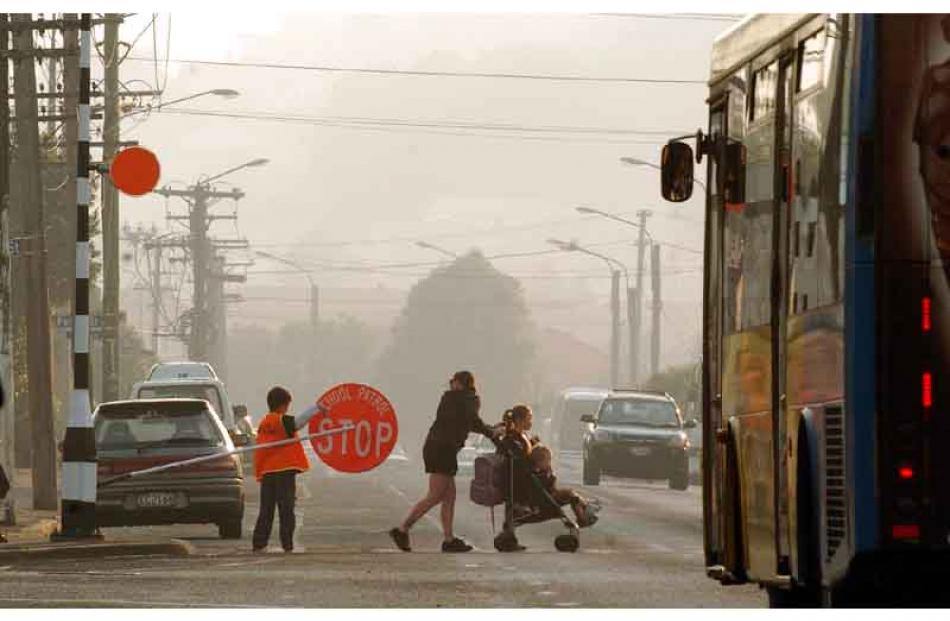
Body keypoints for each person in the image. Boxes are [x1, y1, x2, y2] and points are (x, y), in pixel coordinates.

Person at [389, 370, 499, 553]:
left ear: (461, 383)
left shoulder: (451, 399)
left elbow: (468, 422)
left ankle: (449, 539)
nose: (451, 385)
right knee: (435, 495)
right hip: (443, 449)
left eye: (453, 382)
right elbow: (472, 421)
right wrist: (491, 432)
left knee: (449, 496)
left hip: (438, 447)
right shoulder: (466, 399)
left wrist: (489, 429)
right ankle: (402, 529)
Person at [252, 386, 310, 553]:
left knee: (266, 510)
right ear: (283, 405)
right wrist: (318, 409)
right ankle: (287, 544)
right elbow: (298, 422)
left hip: (268, 472)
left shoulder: (264, 423)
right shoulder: (280, 421)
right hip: (284, 471)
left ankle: (259, 543)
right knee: (286, 509)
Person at [529, 444, 597, 527]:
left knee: (572, 495)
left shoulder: (538, 472)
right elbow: (549, 487)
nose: (549, 463)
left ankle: (585, 505)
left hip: (548, 496)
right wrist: (551, 475)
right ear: (539, 461)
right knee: (570, 494)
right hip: (546, 501)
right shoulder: (539, 475)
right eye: (548, 460)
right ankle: (583, 515)